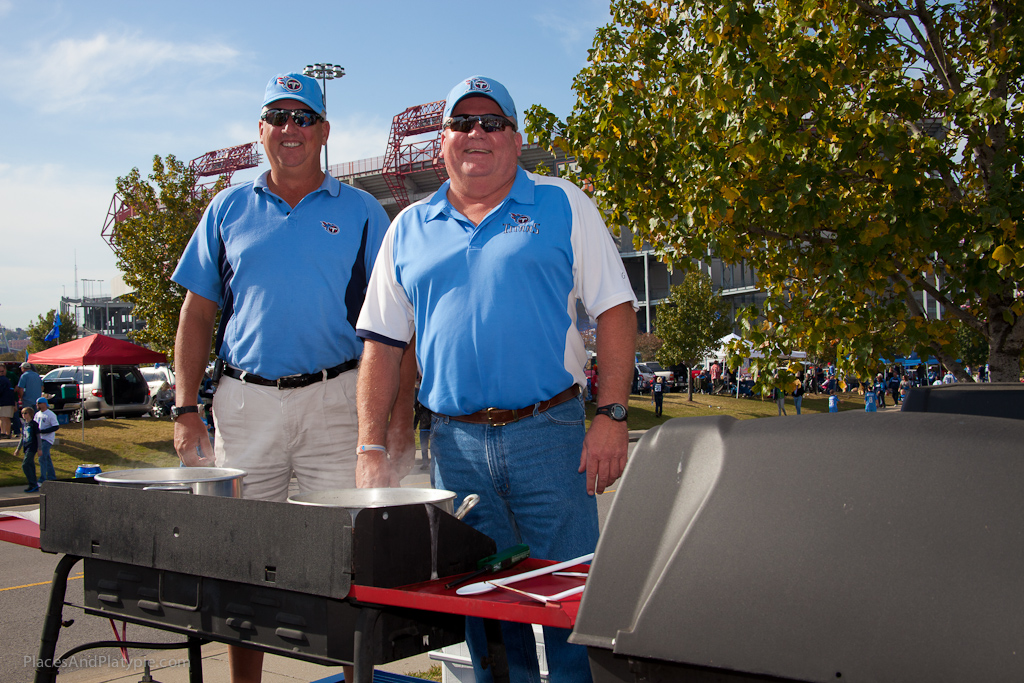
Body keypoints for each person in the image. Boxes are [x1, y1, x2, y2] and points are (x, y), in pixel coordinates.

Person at [355, 75, 638, 683]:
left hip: (551, 437)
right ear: (443, 142)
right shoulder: (407, 226)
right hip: (455, 447)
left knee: (570, 608)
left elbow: (615, 309)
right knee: (485, 617)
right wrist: (371, 444)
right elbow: (382, 343)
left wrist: (612, 416)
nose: (476, 134)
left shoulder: (562, 203)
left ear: (515, 138)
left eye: (492, 123)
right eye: (462, 123)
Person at [170, 71, 410, 683]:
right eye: (278, 117)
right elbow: (196, 315)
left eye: (303, 118)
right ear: (261, 132)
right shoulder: (226, 208)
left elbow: (393, 328)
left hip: (336, 403)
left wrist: (395, 426)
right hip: (245, 404)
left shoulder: (362, 212)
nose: (290, 129)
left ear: (324, 131)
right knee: (241, 560)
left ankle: (353, 677)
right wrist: (183, 409)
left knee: (342, 556)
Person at [34, 397, 59, 483]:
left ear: (44, 404)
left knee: (42, 457)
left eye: (39, 403)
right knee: (47, 458)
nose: (37, 405)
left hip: (47, 439)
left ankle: (42, 479)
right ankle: (52, 477)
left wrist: (43, 431)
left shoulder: (50, 414)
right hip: (39, 439)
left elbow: (56, 426)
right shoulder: (37, 414)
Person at [15, 406, 40, 492]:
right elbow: (22, 437)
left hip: (32, 447)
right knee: (31, 466)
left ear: (30, 414)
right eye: (22, 413)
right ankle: (33, 484)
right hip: (26, 447)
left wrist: (39, 449)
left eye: (25, 413)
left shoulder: (34, 424)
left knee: (25, 465)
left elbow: (38, 437)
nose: (23, 415)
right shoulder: (24, 424)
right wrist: (18, 449)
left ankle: (32, 483)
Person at [0, 371, 16, 438]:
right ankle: (7, 433)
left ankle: (4, 433)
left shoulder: (2, 380)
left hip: (4, 402)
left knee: (3, 418)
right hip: (8, 401)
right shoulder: (6, 380)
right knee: (6, 418)